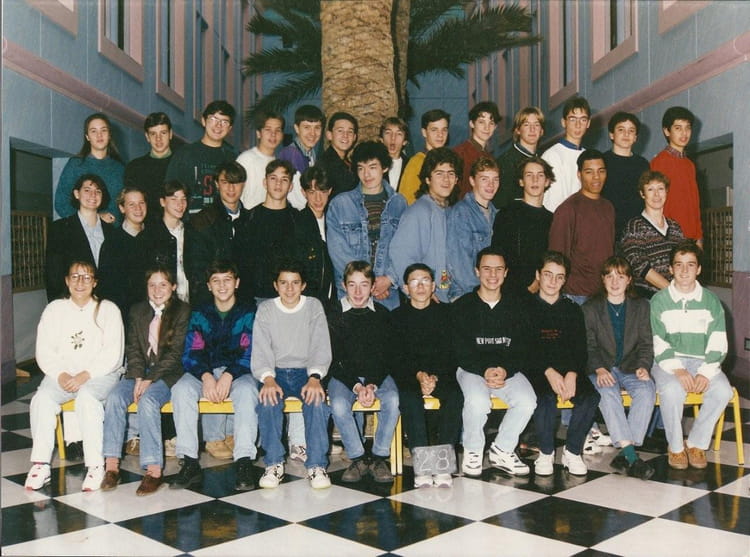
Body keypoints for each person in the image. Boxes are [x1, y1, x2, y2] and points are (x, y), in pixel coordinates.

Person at [25, 261, 124, 491]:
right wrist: (59, 374)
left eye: (87, 277)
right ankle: (40, 464)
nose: (80, 282)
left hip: (100, 374)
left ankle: (95, 465)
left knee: (87, 398)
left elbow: (113, 354)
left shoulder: (108, 309)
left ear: (95, 282)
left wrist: (86, 375)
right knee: (42, 400)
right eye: (75, 277)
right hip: (63, 374)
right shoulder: (55, 310)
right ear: (67, 281)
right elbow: (44, 350)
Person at [170, 261, 260, 491]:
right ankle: (189, 461)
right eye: (216, 281)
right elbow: (192, 352)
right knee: (181, 389)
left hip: (239, 371)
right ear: (209, 286)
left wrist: (229, 374)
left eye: (227, 280)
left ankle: (244, 460)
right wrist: (206, 375)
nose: (222, 286)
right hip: (205, 370)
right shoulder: (200, 313)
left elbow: (250, 351)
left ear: (236, 283)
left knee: (248, 391)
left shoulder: (248, 311)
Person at [101, 266, 190, 495]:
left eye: (163, 285)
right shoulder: (137, 310)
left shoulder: (182, 311)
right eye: (152, 285)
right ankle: (111, 466)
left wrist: (150, 379)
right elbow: (133, 348)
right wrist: (139, 376)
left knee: (148, 401)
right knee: (114, 397)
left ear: (173, 287)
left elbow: (175, 354)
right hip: (140, 373)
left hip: (168, 374)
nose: (157, 290)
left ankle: (153, 471)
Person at [452, 246, 536, 477]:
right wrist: (484, 369)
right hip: (472, 369)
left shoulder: (517, 306)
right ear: (476, 271)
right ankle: (473, 450)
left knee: (527, 401)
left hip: (506, 369)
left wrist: (505, 369)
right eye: (487, 269)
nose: (493, 274)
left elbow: (522, 347)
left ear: (506, 272)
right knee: (478, 401)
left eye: (499, 269)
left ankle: (502, 449)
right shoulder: (462, 306)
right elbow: (460, 350)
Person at [650, 241, 732, 470]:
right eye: (679, 264)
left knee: (723, 391)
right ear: (670, 269)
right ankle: (676, 447)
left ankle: (696, 443)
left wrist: (705, 372)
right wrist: (678, 369)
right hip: (668, 362)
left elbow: (718, 341)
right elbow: (658, 341)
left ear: (699, 269)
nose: (684, 271)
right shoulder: (659, 301)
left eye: (690, 265)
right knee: (672, 389)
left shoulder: (711, 301)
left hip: (703, 362)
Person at [253, 260, 333, 489]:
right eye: (284, 283)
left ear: (303, 285)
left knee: (316, 401)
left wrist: (315, 377)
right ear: (275, 285)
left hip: (305, 372)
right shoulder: (266, 309)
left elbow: (320, 345)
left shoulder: (313, 306)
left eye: (295, 283)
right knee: (268, 401)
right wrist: (268, 378)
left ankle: (316, 465)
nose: (289, 289)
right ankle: (274, 463)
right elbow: (261, 348)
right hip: (275, 371)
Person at [525, 251, 600, 477]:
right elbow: (524, 348)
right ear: (538, 275)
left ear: (565, 279)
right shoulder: (525, 308)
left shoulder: (572, 309)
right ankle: (546, 453)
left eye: (559, 277)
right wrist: (548, 371)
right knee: (545, 399)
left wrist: (572, 373)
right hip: (536, 370)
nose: (553, 281)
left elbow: (579, 348)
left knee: (590, 397)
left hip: (567, 369)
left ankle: (573, 451)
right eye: (548, 274)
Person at [582, 257, 655, 480]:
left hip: (630, 366)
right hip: (601, 367)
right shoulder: (590, 308)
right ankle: (631, 456)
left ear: (629, 280)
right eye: (609, 276)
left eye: (620, 276)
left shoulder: (641, 306)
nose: (615, 282)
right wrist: (599, 368)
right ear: (603, 279)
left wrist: (643, 366)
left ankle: (625, 453)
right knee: (607, 392)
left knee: (646, 389)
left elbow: (646, 343)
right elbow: (587, 345)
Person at [327, 261, 399, 483]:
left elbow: (386, 357)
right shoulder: (333, 314)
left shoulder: (382, 314)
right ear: (343, 285)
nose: (358, 292)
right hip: (344, 376)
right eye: (352, 285)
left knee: (393, 399)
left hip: (375, 375)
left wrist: (371, 384)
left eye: (364, 285)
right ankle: (358, 458)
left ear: (373, 286)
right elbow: (334, 358)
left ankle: (378, 457)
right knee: (339, 404)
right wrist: (357, 386)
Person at [392, 264, 460, 488]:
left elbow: (452, 353)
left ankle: (442, 465)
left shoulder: (447, 314)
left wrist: (434, 378)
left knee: (455, 396)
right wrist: (419, 376)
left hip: (441, 374)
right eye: (414, 281)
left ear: (433, 286)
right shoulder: (397, 317)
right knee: (410, 399)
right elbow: (396, 357)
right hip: (409, 374)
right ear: (405, 288)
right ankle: (422, 466)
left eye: (425, 281)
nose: (420, 286)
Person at [326, 141, 406, 310]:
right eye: (361, 168)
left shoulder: (399, 204)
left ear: (385, 168)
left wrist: (389, 279)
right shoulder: (340, 204)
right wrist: (365, 285)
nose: (366, 174)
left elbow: (404, 248)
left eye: (372, 167)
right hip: (351, 294)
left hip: (387, 293)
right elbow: (338, 251)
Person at [390, 147, 461, 303]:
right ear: (428, 179)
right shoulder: (419, 212)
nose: (446, 179)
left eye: (451, 174)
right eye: (439, 173)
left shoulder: (450, 211)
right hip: (427, 301)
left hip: (449, 297)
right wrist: (421, 292)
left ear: (456, 179)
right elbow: (401, 255)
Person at [548, 149, 615, 305]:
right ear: (579, 174)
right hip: (576, 294)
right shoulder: (568, 209)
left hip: (604, 292)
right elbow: (557, 257)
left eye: (601, 171)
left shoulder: (608, 207)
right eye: (589, 172)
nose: (596, 177)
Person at [187, 161, 254, 307]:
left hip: (244, 304)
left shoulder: (251, 220)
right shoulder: (201, 221)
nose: (231, 188)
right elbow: (196, 272)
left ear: (243, 185)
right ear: (217, 184)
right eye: (225, 182)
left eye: (236, 183)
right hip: (210, 304)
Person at [46, 174, 115, 302]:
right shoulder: (60, 229)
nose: (93, 195)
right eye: (87, 190)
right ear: (77, 194)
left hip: (106, 302)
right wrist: (59, 305)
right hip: (73, 302)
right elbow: (53, 274)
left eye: (98, 191)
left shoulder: (111, 231)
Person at [492, 156, 554, 296]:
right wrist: (524, 286)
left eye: (540, 175)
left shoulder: (552, 219)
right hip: (510, 292)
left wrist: (538, 282)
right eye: (529, 175)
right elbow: (499, 255)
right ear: (521, 181)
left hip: (542, 291)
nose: (535, 180)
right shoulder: (507, 214)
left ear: (547, 181)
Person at [619, 170, 685, 298]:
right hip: (647, 298)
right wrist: (671, 291)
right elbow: (638, 265)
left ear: (666, 192)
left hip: (676, 295)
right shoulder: (634, 226)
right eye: (650, 189)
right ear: (642, 194)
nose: (656, 194)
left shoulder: (675, 227)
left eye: (660, 188)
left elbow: (683, 260)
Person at [245, 159, 304, 302]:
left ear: (291, 186)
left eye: (284, 179)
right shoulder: (248, 219)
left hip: (290, 297)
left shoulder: (299, 220)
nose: (278, 184)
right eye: (273, 178)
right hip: (256, 299)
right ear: (265, 182)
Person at [165, 100, 237, 215]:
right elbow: (169, 192)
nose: (218, 125)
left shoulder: (232, 159)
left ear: (230, 128)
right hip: (190, 222)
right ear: (203, 121)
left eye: (224, 122)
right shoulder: (184, 154)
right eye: (213, 119)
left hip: (222, 222)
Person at [54, 113, 124, 223]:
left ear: (110, 134)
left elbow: (123, 203)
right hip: (81, 230)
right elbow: (61, 203)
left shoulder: (120, 168)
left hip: (112, 229)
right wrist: (91, 219)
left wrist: (113, 217)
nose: (99, 135)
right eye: (93, 131)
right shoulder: (76, 165)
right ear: (87, 137)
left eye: (103, 130)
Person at [447, 157, 499, 300]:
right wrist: (479, 296)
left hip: (488, 292)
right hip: (466, 294)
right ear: (472, 181)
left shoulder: (496, 214)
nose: (491, 185)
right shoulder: (461, 212)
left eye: (495, 179)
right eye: (484, 179)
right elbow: (459, 264)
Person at [650, 106, 703, 246]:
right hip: (670, 239)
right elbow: (655, 204)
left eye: (688, 128)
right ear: (667, 131)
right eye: (678, 128)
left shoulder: (690, 165)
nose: (684, 133)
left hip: (690, 239)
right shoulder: (659, 162)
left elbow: (695, 204)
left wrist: (699, 237)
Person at [98, 186, 149, 319]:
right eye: (131, 204)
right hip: (124, 315)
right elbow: (108, 289)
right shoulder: (112, 243)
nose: (138, 208)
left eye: (141, 203)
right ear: (122, 208)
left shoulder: (154, 237)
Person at [601, 112, 650, 239]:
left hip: (636, 231)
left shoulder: (643, 164)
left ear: (636, 137)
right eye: (621, 130)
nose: (626, 134)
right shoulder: (601, 161)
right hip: (607, 230)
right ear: (611, 134)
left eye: (631, 131)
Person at [143, 180, 192, 302]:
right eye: (174, 199)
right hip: (162, 300)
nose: (180, 204)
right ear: (162, 202)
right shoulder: (150, 234)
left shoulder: (192, 232)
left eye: (183, 199)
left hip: (190, 298)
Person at [542, 96, 591, 212]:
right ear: (564, 122)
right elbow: (553, 203)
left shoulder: (588, 156)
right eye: (573, 119)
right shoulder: (552, 155)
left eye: (583, 119)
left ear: (588, 123)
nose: (578, 125)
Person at [296, 165, 336, 308]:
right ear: (303, 192)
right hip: (307, 302)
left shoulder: (334, 221)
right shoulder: (297, 224)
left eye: (323, 191)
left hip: (332, 302)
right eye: (312, 192)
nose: (318, 198)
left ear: (329, 191)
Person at [124, 112, 174, 223]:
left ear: (170, 134)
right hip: (145, 228)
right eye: (153, 134)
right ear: (147, 137)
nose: (158, 139)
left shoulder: (181, 163)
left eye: (163, 133)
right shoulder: (134, 167)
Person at [493, 106, 544, 209]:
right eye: (526, 125)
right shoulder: (506, 161)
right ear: (518, 130)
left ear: (541, 131)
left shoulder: (543, 158)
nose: (532, 129)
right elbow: (501, 203)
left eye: (536, 124)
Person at [400, 109, 450, 204]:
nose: (440, 135)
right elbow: (407, 201)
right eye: (434, 130)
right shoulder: (417, 163)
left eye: (444, 130)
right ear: (424, 132)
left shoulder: (449, 162)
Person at [237, 110, 285, 210]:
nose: (273, 134)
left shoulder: (279, 164)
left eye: (278, 130)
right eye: (268, 130)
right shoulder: (246, 159)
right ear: (259, 133)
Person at [453, 101, 500, 197]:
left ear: (495, 127)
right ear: (472, 123)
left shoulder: (489, 157)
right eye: (481, 122)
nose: (487, 128)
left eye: (491, 123)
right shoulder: (459, 153)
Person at [318, 112, 358, 197]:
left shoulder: (347, 162)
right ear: (329, 135)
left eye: (350, 132)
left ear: (354, 137)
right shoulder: (326, 164)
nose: (345, 135)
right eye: (340, 131)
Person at [278, 104, 325, 174]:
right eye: (307, 127)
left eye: (317, 127)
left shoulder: (311, 152)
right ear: (297, 128)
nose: (313, 133)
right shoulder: (291, 154)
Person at [380, 117, 410, 191]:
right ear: (381, 139)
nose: (393, 138)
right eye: (388, 133)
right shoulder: (374, 164)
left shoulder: (410, 165)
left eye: (399, 134)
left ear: (405, 141)